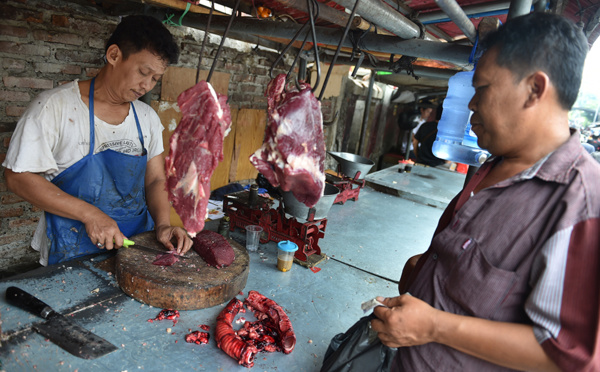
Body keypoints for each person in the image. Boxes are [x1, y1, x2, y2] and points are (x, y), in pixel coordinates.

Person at [324, 12, 600, 372]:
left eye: (482, 89)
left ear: (535, 89)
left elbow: (568, 356)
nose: (470, 104)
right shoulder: (491, 166)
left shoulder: (580, 202)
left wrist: (435, 326)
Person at [3, 15, 193, 266]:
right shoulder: (53, 107)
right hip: (72, 243)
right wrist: (90, 215)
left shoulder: (146, 117)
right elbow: (18, 176)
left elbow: (156, 179)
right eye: (143, 72)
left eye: (155, 78)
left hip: (137, 242)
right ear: (114, 55)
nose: (147, 85)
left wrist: (163, 225)